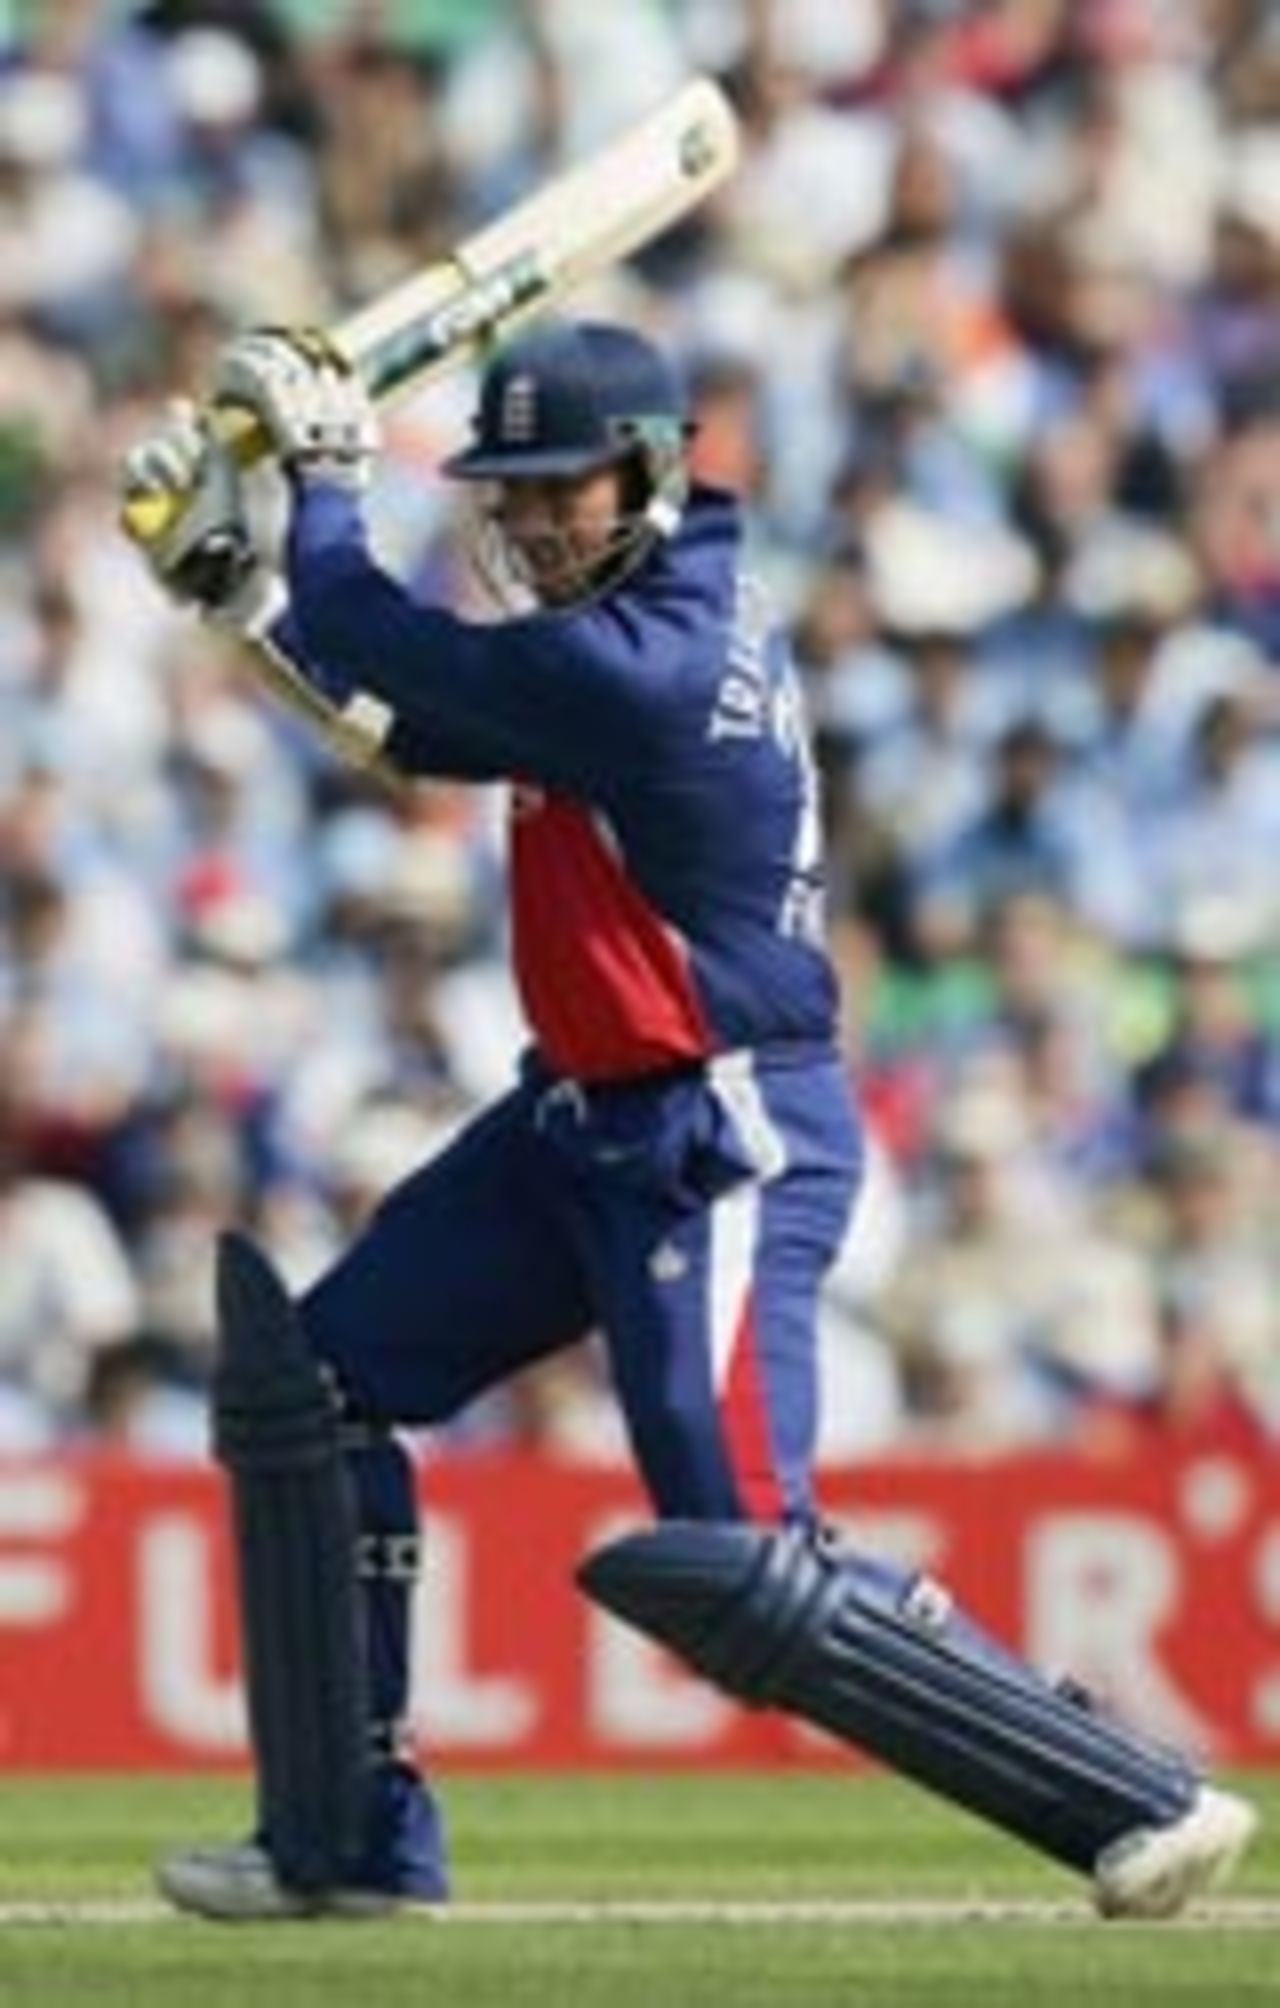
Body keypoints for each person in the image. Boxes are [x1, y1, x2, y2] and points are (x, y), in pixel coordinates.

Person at [120, 316, 1256, 1922]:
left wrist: (317, 487)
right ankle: (346, 1844)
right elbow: (411, 724)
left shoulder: (642, 665)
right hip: (580, 1115)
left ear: (650, 474)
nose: (525, 522)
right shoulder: (631, 621)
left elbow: (395, 647)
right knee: (316, 1387)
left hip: (714, 1133)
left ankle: (1139, 1802)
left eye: (556, 490)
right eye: (508, 492)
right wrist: (245, 603)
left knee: (740, 1558)